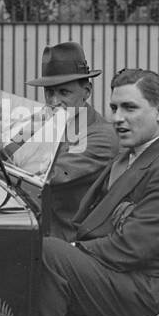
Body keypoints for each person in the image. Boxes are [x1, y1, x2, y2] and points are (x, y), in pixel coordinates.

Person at [35, 69, 159, 316]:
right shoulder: (127, 156)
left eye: (130, 108)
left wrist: (72, 251)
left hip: (144, 293)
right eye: (114, 108)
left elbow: (131, 248)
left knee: (50, 253)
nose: (117, 118)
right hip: (117, 276)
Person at [24, 42, 117, 240]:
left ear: (87, 92)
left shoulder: (101, 137)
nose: (54, 101)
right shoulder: (45, 119)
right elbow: (9, 142)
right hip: (32, 229)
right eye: (49, 92)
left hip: (70, 243)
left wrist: (6, 150)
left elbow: (51, 174)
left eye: (64, 92)